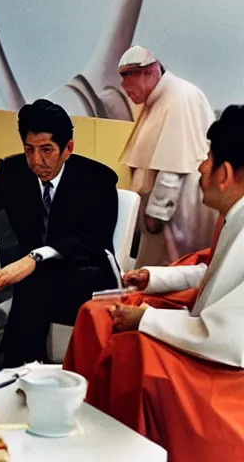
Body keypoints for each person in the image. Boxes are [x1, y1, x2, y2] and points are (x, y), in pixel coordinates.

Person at [62, 104, 244, 462]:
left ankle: (119, 445)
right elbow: (214, 273)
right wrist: (154, 278)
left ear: (224, 173)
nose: (200, 166)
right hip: (203, 323)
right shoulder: (234, 216)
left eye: (207, 158)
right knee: (97, 313)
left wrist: (145, 319)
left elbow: (228, 332)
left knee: (132, 349)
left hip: (225, 362)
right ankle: (77, 410)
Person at [0, 99, 119, 368]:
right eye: (29, 150)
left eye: (46, 150)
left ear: (68, 149)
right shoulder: (13, 172)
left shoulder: (98, 179)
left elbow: (93, 240)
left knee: (34, 285)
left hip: (85, 273)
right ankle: (13, 368)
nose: (36, 161)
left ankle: (18, 368)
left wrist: (33, 259)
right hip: (33, 276)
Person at [118, 45, 217, 266]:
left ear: (149, 72)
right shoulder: (159, 98)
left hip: (176, 210)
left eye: (127, 77)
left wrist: (156, 214)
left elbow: (173, 166)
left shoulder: (179, 96)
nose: (123, 86)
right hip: (167, 212)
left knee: (171, 269)